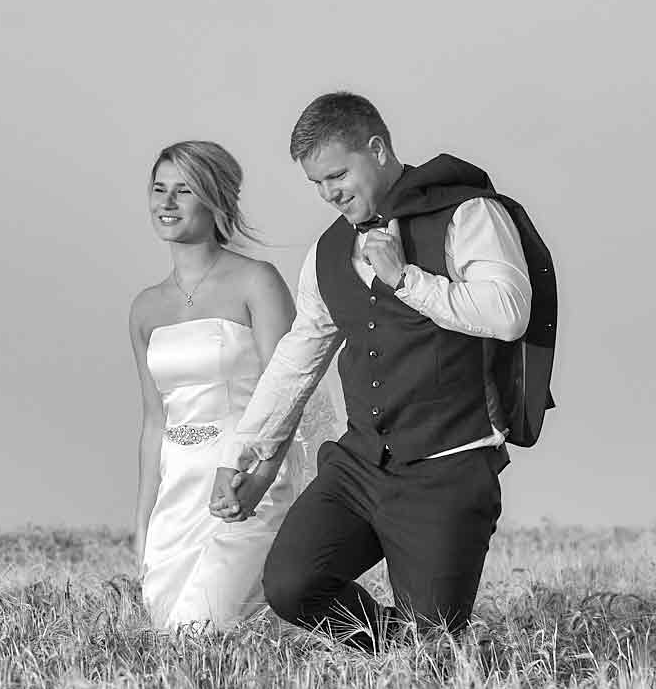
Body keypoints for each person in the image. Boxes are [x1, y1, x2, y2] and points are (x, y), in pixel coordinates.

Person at [209, 93, 533, 649]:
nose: (329, 193)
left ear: (377, 149)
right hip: (361, 464)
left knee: (437, 642)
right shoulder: (327, 252)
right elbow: (298, 355)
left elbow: (509, 313)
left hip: (446, 469)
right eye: (316, 183)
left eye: (337, 174)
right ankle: (399, 654)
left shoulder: (470, 215)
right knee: (290, 585)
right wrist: (242, 453)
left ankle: (423, 658)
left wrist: (405, 280)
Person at [128, 141, 333, 629]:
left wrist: (259, 480)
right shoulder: (145, 307)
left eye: (184, 190)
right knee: (168, 641)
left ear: (215, 199)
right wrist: (142, 520)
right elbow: (155, 419)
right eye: (159, 189)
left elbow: (291, 391)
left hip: (242, 479)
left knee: (203, 629)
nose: (167, 203)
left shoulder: (256, 282)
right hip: (176, 494)